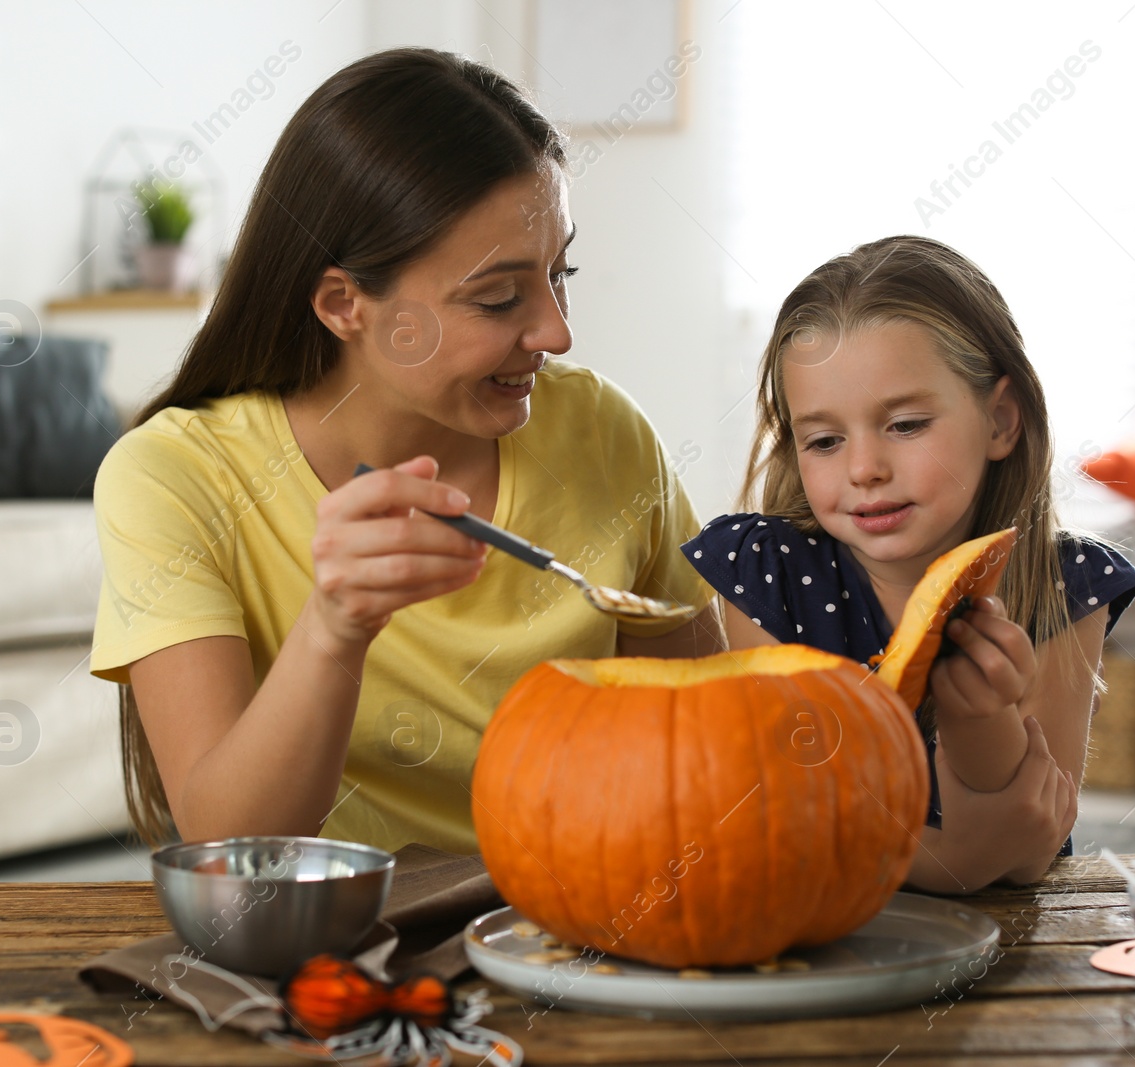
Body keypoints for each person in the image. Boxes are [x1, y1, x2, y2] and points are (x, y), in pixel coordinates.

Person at [89, 48, 721, 852]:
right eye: (498, 298)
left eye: (562, 272)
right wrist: (335, 627)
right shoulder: (174, 478)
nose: (558, 333)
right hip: (347, 954)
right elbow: (228, 844)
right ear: (344, 303)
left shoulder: (602, 431)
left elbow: (709, 741)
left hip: (587, 933)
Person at [682, 236, 1135, 892]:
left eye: (905, 425)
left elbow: (1028, 848)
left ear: (1000, 420)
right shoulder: (763, 572)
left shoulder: (1066, 585)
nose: (865, 468)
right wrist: (960, 859)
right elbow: (799, 824)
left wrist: (981, 718)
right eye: (825, 440)